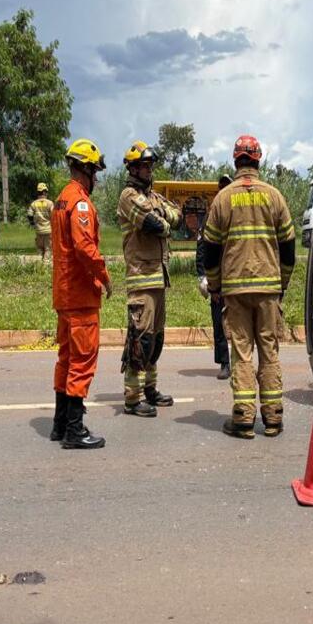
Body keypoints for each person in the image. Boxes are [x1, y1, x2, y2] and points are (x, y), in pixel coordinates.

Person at [202, 135, 297, 439]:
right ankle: (273, 418)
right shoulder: (275, 196)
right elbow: (289, 247)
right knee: (269, 350)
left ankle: (243, 418)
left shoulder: (223, 199)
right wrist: (282, 283)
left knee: (241, 351)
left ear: (236, 160)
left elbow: (210, 249)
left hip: (235, 289)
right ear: (258, 160)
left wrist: (214, 285)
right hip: (269, 288)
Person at [50, 139, 111, 450]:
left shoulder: (61, 199)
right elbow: (85, 248)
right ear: (86, 170)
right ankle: (74, 430)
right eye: (95, 172)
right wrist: (104, 276)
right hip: (80, 295)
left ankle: (60, 424)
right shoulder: (80, 203)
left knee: (66, 358)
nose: (96, 178)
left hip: (64, 294)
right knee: (82, 361)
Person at [117, 141, 182, 417]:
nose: (148, 170)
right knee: (139, 340)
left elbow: (177, 216)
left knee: (155, 340)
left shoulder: (153, 196)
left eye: (150, 166)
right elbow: (154, 224)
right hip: (141, 278)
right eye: (144, 166)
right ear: (133, 168)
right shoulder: (128, 196)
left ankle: (150, 390)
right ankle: (132, 399)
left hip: (159, 278)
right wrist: (163, 220)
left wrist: (163, 217)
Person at [197, 174, 233, 380]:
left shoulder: (238, 214)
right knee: (219, 323)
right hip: (218, 279)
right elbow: (202, 249)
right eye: (221, 188)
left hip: (236, 279)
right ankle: (224, 363)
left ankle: (241, 362)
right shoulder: (211, 216)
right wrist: (203, 277)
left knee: (239, 325)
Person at [27, 182, 54, 260]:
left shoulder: (34, 204)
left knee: (39, 249)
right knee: (48, 249)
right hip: (48, 230)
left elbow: (29, 215)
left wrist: (32, 224)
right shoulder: (50, 203)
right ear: (44, 192)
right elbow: (54, 215)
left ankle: (39, 264)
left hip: (38, 231)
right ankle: (46, 263)